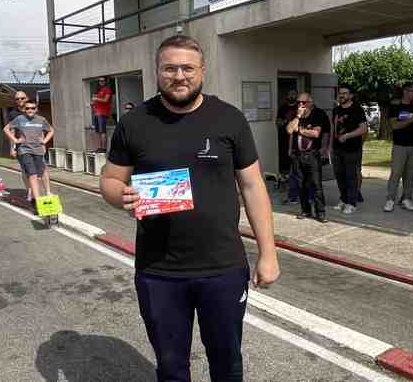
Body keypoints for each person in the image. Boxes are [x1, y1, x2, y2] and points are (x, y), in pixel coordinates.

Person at [100, 35, 280, 382]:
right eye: (169, 68)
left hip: (223, 267)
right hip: (158, 271)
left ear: (202, 71)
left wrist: (268, 253)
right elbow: (110, 179)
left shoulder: (229, 119)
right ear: (157, 72)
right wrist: (118, 195)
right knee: (171, 367)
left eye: (187, 68)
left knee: (227, 363)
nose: (179, 75)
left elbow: (253, 186)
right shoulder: (135, 122)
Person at [287, 92, 329, 223]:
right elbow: (289, 130)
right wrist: (298, 116)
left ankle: (320, 212)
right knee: (301, 184)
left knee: (316, 184)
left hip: (312, 154)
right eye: (299, 102)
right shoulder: (296, 115)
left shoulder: (318, 115)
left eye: (303, 102)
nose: (300, 104)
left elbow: (316, 133)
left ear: (310, 103)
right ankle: (305, 210)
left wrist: (299, 130)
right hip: (297, 155)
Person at [385, 83, 413, 212]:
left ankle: (407, 198)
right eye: (409, 91)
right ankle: (390, 199)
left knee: (411, 174)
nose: (411, 94)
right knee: (396, 173)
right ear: (404, 91)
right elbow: (394, 125)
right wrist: (409, 120)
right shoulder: (395, 105)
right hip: (400, 145)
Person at [4, 100, 55, 202]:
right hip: (24, 150)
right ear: (24, 109)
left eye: (32, 108)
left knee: (39, 175)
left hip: (38, 150)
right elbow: (6, 129)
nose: (30, 110)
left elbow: (51, 130)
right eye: (27, 108)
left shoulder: (41, 120)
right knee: (32, 174)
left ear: (36, 109)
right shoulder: (19, 119)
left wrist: (44, 141)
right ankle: (37, 199)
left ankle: (34, 194)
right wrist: (15, 140)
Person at [332, 86, 367, 215]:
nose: (341, 95)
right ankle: (344, 198)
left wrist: (347, 135)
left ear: (351, 95)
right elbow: (333, 128)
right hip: (337, 148)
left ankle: (352, 203)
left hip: (352, 149)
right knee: (339, 175)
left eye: (344, 93)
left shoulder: (357, 110)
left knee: (351, 176)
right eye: (340, 93)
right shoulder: (336, 110)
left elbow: (363, 129)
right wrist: (331, 144)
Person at [91, 78, 113, 153]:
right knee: (98, 132)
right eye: (100, 81)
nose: (101, 82)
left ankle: (103, 149)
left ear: (105, 82)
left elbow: (106, 100)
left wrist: (96, 99)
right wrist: (92, 104)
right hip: (97, 113)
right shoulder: (99, 90)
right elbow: (96, 102)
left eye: (103, 81)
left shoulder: (107, 90)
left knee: (103, 131)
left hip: (102, 113)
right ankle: (100, 148)